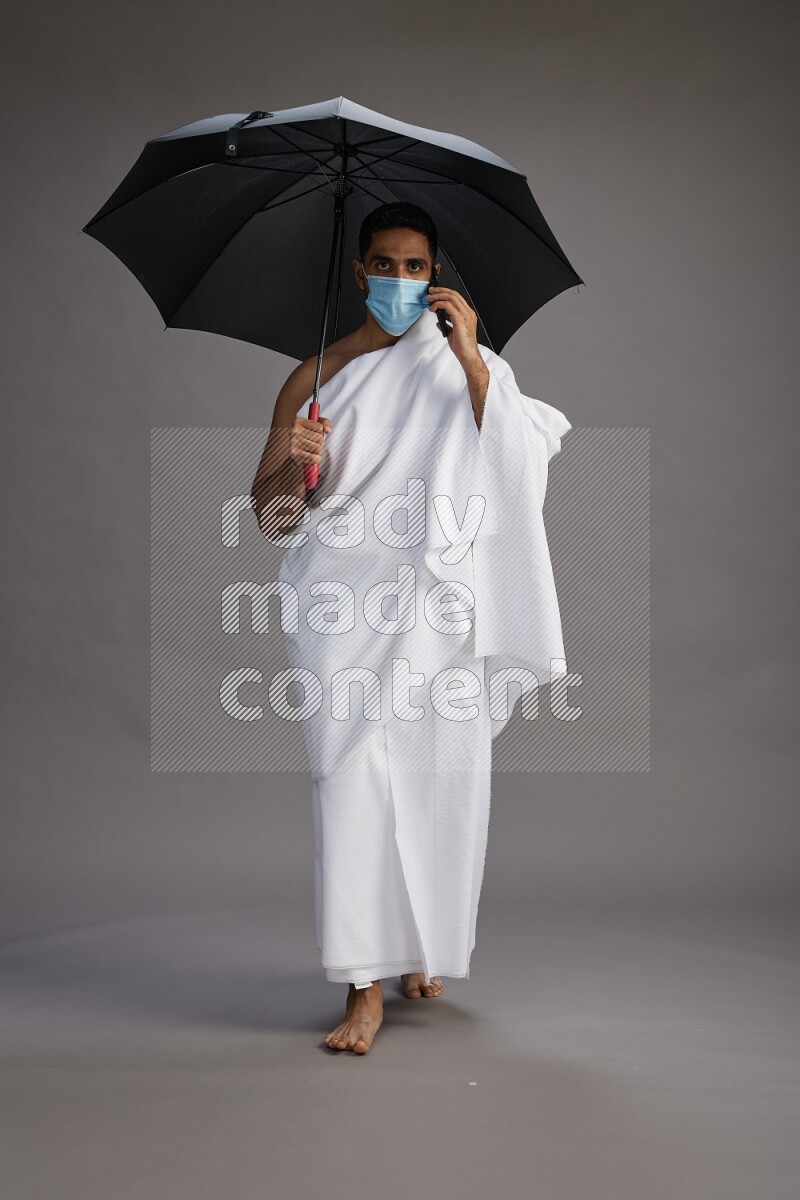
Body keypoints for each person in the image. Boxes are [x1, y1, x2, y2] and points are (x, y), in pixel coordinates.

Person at [251, 201, 571, 1054]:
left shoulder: (465, 365)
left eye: (416, 267)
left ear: (438, 277)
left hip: (438, 615)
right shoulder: (313, 378)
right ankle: (363, 985)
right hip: (343, 611)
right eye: (384, 266)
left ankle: (420, 948)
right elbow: (275, 518)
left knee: (440, 777)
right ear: (358, 274)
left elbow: (521, 456)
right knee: (350, 782)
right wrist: (300, 462)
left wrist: (471, 361)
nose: (400, 281)